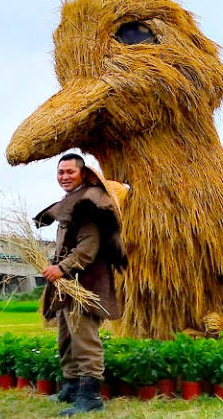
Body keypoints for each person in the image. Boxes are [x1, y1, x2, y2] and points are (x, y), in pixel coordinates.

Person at [35, 153, 127, 416]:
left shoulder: (89, 203)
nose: (64, 177)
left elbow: (88, 247)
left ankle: (91, 397)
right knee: (66, 337)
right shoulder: (71, 201)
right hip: (67, 285)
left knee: (85, 340)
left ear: (83, 174)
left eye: (69, 172)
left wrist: (62, 268)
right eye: (60, 172)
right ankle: (71, 387)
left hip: (85, 284)